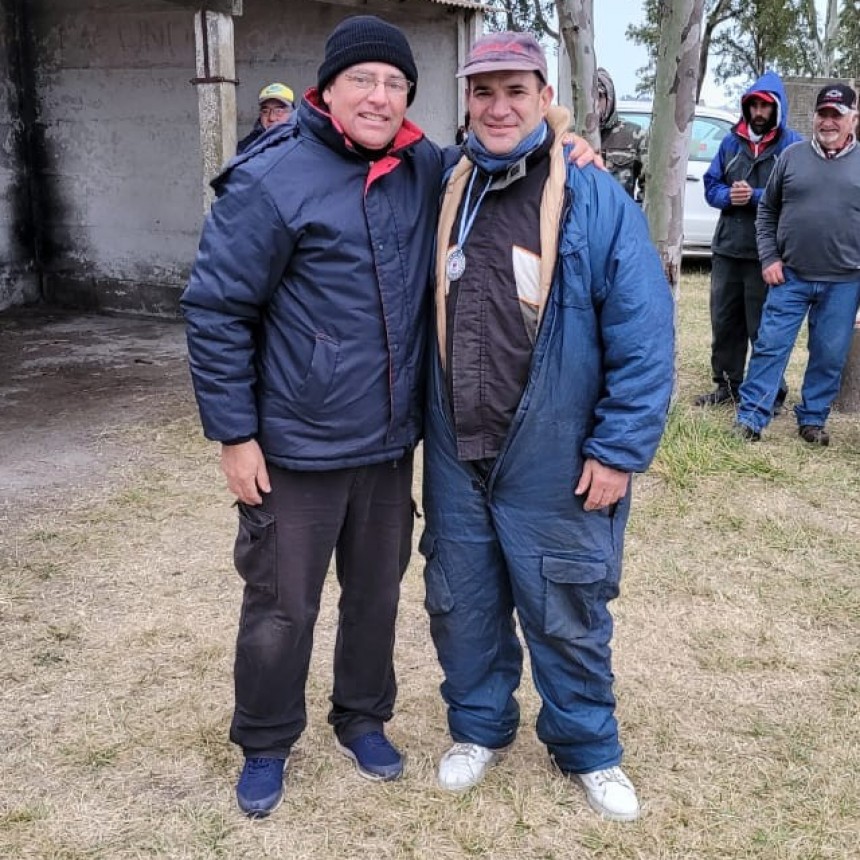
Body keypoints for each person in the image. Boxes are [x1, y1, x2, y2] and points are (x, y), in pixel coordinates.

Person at [181, 15, 598, 819]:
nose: (378, 96)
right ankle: (266, 739)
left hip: (386, 445)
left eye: (394, 83)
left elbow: (503, 149)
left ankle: (362, 717)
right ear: (327, 89)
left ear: (409, 95)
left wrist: (562, 140)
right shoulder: (270, 179)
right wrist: (234, 435)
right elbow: (216, 311)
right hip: (294, 447)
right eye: (361, 80)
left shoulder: (425, 169)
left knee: (375, 594)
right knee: (281, 604)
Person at [419, 32, 674, 823]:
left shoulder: (594, 197)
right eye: (483, 91)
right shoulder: (445, 184)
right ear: (466, 99)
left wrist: (620, 449)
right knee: (460, 602)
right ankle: (479, 729)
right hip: (458, 451)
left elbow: (644, 332)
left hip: (554, 455)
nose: (498, 107)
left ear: (543, 98)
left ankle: (588, 748)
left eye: (515, 92)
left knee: (568, 605)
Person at [734, 83, 860, 446]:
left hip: (845, 281)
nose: (828, 122)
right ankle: (751, 418)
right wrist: (770, 257)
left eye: (837, 115)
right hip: (790, 275)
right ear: (813, 116)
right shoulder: (791, 157)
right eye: (823, 114)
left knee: (829, 353)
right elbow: (767, 212)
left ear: (853, 119)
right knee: (770, 345)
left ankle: (813, 419)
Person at [695, 72, 802, 407]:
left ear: (777, 109)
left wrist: (755, 196)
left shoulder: (792, 145)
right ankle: (727, 385)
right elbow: (710, 185)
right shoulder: (730, 143)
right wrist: (728, 195)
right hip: (728, 246)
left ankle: (772, 391)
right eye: (753, 104)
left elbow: (796, 193)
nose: (758, 111)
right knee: (725, 320)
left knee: (765, 327)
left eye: (765, 106)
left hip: (766, 252)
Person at [597, 67, 645, 199]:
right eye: (588, 97)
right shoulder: (569, 136)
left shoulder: (633, 135)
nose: (594, 103)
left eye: (599, 97)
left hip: (618, 217)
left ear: (609, 99)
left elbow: (648, 189)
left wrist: (634, 216)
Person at [236, 82, 295, 154]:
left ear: (292, 113)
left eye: (279, 111)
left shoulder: (304, 144)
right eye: (265, 111)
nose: (271, 118)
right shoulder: (247, 147)